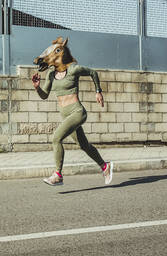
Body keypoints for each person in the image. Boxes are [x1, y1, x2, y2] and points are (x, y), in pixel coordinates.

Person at [32, 36, 113, 186]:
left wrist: (98, 91)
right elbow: (44, 95)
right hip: (66, 115)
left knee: (56, 139)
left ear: (61, 53)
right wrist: (37, 87)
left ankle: (57, 175)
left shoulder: (73, 70)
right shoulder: (51, 75)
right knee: (84, 146)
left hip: (77, 112)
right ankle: (105, 166)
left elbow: (92, 72)